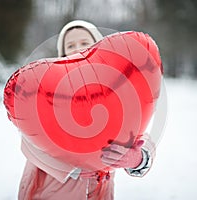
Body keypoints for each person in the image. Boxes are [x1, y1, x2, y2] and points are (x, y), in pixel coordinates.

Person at [18, 20, 156, 200]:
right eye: (70, 45)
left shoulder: (116, 90)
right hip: (49, 192)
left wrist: (138, 157)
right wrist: (78, 164)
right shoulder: (49, 91)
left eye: (84, 43)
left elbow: (137, 127)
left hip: (99, 193)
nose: (77, 49)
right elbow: (31, 140)